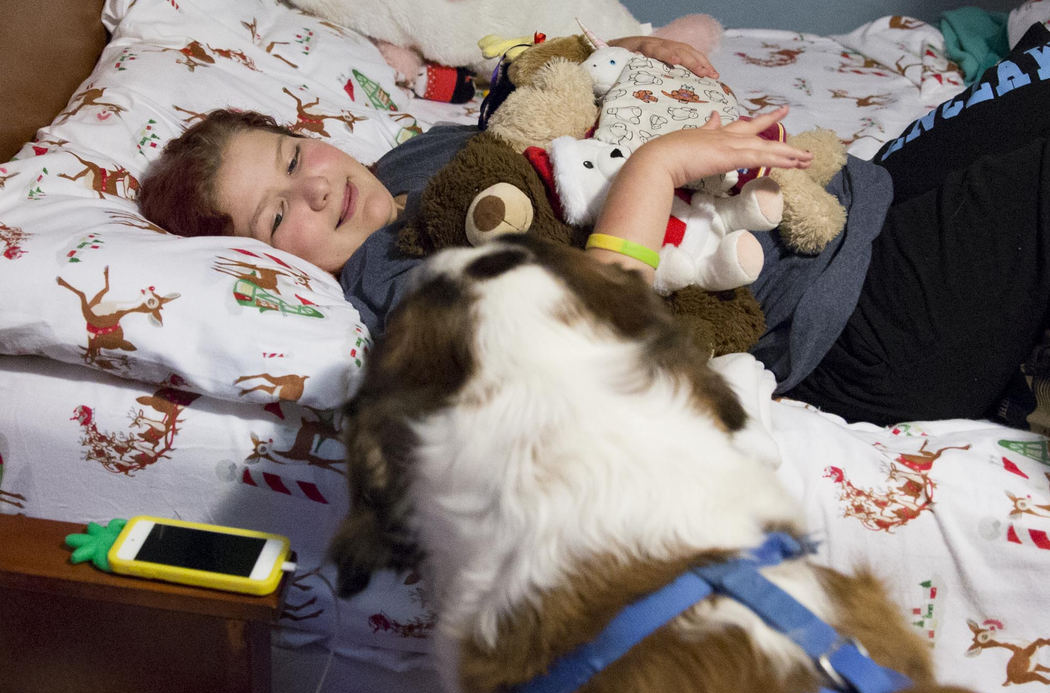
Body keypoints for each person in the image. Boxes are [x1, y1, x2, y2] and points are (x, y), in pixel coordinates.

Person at [139, 24, 1050, 427]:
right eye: (276, 214)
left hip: (849, 195)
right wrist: (659, 168)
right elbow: (592, 335)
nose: (316, 193)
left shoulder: (410, 160)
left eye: (298, 160)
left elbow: (553, 113)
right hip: (852, 323)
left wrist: (637, 71)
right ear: (258, 260)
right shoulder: (395, 282)